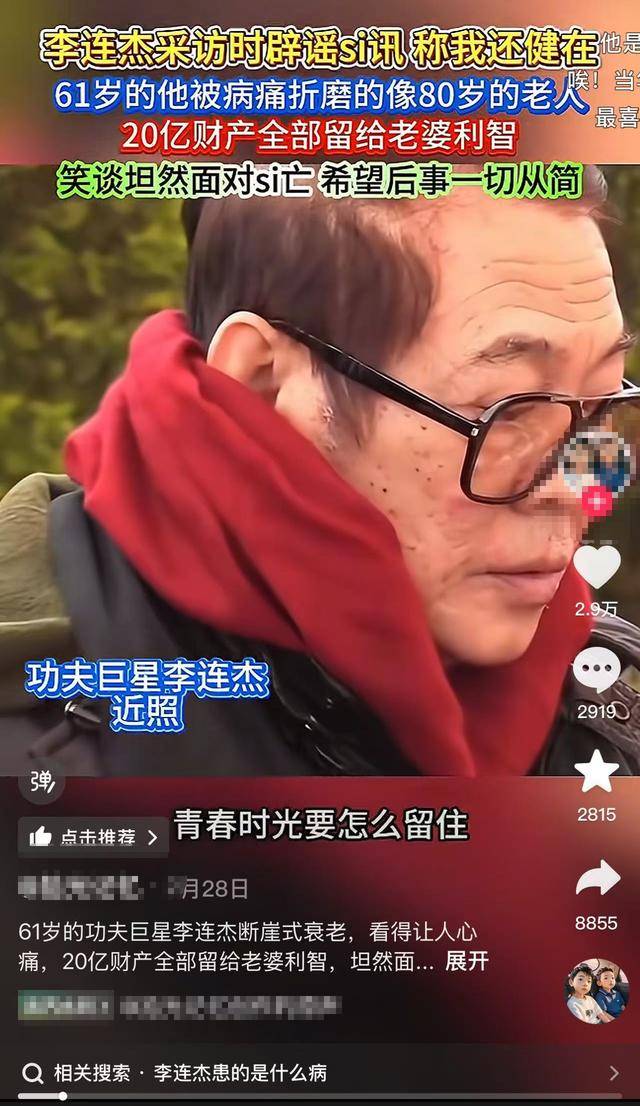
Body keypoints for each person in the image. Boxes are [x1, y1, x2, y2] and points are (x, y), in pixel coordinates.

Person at [2, 167, 640, 776]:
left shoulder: (609, 690)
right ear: (261, 385)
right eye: (508, 411)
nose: (580, 491)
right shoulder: (41, 740)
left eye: (603, 406)